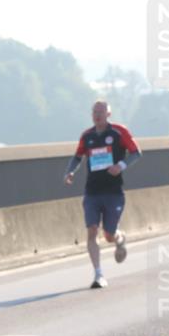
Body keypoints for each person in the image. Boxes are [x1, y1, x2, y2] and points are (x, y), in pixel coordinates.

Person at [63, 100, 141, 288]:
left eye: (101, 111)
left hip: (113, 191)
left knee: (108, 234)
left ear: (108, 114)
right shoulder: (87, 136)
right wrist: (70, 171)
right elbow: (77, 157)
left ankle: (119, 237)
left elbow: (136, 152)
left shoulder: (119, 132)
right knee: (91, 230)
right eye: (94, 112)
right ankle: (98, 274)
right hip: (92, 191)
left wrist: (120, 166)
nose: (97, 115)